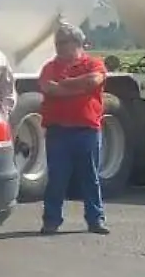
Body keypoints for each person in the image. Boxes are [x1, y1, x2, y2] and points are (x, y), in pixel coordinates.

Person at [37, 22, 109, 236]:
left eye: (63, 43)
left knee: (90, 177)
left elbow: (94, 80)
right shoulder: (50, 67)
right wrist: (78, 87)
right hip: (58, 130)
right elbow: (50, 88)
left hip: (86, 130)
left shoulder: (94, 64)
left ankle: (96, 220)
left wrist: (66, 83)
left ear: (77, 43)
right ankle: (51, 220)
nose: (58, 47)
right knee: (57, 178)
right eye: (57, 43)